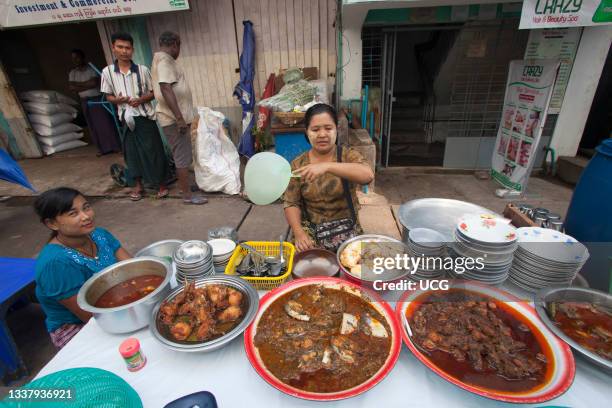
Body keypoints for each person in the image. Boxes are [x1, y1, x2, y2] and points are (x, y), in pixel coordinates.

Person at [34, 187, 131, 348]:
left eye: (86, 207)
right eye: (73, 213)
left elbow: (132, 268)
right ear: (51, 223)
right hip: (76, 325)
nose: (86, 216)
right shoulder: (56, 264)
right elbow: (90, 317)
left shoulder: (100, 234)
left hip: (114, 301)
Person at [283, 104, 374, 252]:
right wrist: (299, 233)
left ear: (336, 130)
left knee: (356, 269)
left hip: (347, 229)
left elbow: (367, 175)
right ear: (306, 132)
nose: (322, 134)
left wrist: (328, 166)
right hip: (312, 232)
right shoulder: (298, 164)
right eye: (315, 129)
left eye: (328, 128)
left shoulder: (347, 155)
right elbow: (291, 202)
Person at [101, 32, 170, 201]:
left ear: (132, 50)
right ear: (113, 48)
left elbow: (153, 93)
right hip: (126, 119)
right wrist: (117, 100)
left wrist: (140, 100)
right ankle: (138, 186)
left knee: (153, 151)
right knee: (132, 154)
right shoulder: (107, 72)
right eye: (120, 47)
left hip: (144, 118)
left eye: (127, 48)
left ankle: (160, 184)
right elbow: (108, 96)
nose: (124, 51)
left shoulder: (142, 70)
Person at [151, 31, 206, 205]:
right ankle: (187, 195)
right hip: (174, 120)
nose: (179, 49)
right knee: (181, 157)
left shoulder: (163, 60)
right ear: (175, 44)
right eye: (179, 45)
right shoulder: (165, 61)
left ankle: (187, 187)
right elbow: (165, 89)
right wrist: (180, 118)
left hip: (176, 118)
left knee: (184, 154)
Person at [68, 49, 121, 156]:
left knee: (106, 124)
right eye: (73, 58)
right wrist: (85, 84)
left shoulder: (90, 69)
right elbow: (72, 87)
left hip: (97, 99)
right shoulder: (72, 73)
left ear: (82, 57)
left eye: (77, 57)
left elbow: (93, 83)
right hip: (85, 102)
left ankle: (115, 147)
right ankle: (102, 149)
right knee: (93, 127)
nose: (75, 60)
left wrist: (78, 85)